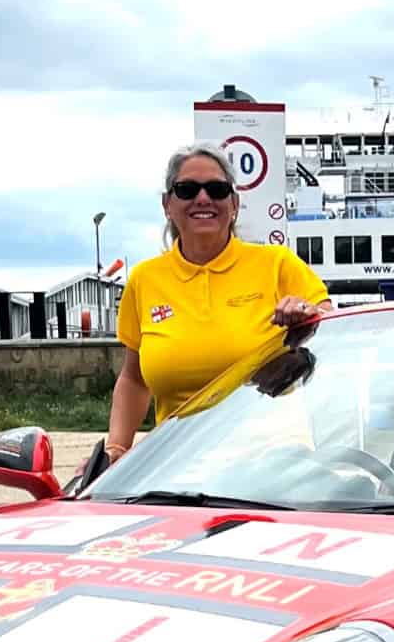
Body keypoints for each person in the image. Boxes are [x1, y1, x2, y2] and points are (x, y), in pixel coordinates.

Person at [105, 143, 332, 461]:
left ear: (234, 203)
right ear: (167, 204)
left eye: (216, 189)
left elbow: (333, 330)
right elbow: (133, 378)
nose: (203, 198)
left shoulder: (276, 263)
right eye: (186, 190)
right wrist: (115, 450)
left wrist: (307, 315)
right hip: (176, 463)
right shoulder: (144, 280)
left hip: (275, 459)